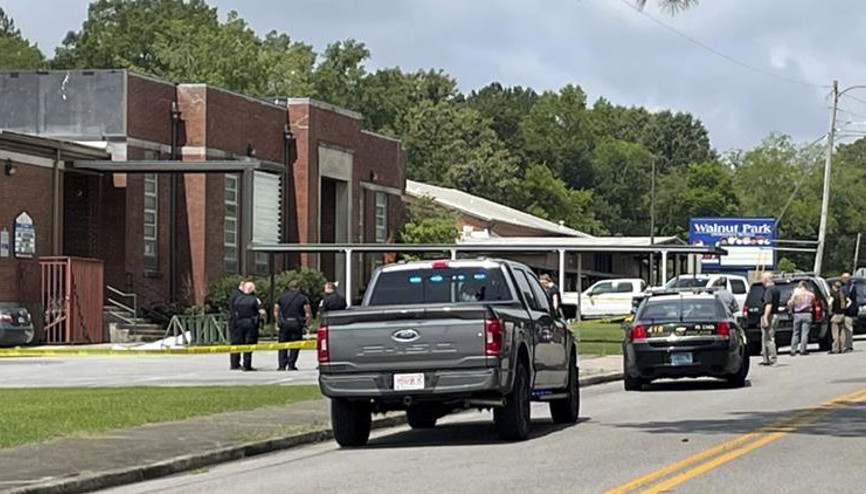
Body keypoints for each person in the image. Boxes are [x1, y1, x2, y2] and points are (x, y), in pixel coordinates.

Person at [274, 280, 312, 371]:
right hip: (297, 324)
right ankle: (291, 364)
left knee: (282, 345)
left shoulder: (281, 297)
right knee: (295, 344)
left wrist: (278, 321)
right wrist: (306, 324)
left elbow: (276, 311)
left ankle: (282, 365)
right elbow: (308, 313)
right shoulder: (303, 298)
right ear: (298, 288)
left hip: (284, 323)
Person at [231, 281, 265, 371]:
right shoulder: (255, 299)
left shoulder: (238, 299)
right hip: (250, 323)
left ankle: (234, 363)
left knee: (237, 343)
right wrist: (262, 320)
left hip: (238, 323)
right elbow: (262, 312)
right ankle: (247, 365)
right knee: (249, 344)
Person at [787, 281, 815, 356]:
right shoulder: (811, 295)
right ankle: (803, 350)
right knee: (805, 333)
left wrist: (790, 310)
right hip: (807, 313)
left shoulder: (796, 294)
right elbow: (812, 303)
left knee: (795, 333)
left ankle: (793, 350)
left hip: (797, 314)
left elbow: (790, 303)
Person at [759, 272, 780, 366]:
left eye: (762, 278)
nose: (761, 280)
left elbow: (769, 304)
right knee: (765, 338)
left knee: (769, 338)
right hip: (775, 315)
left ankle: (772, 358)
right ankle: (765, 359)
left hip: (769, 315)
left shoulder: (769, 290)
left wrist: (765, 318)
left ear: (766, 279)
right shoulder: (776, 289)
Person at [227, 280, 245, 370]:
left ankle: (235, 362)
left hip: (234, 321)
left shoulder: (234, 295)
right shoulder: (239, 296)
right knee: (236, 342)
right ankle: (235, 363)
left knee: (236, 342)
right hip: (237, 322)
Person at [829, 280, 850, 354]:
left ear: (834, 287)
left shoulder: (833, 294)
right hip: (842, 315)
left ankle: (835, 348)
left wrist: (830, 310)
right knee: (842, 332)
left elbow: (829, 303)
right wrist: (845, 307)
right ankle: (842, 347)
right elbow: (849, 301)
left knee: (835, 333)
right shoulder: (842, 294)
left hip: (835, 315)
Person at [841, 271, 858, 353]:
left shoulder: (846, 288)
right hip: (852, 311)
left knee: (847, 329)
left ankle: (847, 345)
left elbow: (847, 298)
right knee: (848, 329)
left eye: (842, 278)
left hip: (847, 311)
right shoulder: (853, 286)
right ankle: (848, 345)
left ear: (845, 279)